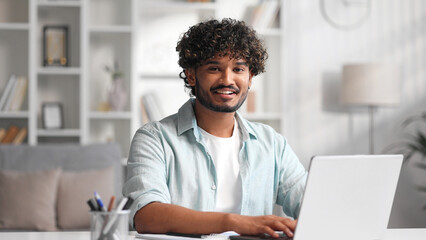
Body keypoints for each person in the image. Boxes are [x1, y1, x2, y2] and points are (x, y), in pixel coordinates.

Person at [123, 18, 307, 238]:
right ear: (191, 75)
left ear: (250, 78)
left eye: (238, 68)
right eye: (214, 68)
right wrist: (235, 223)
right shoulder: (155, 139)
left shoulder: (272, 143)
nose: (227, 79)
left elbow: (312, 204)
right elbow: (146, 215)